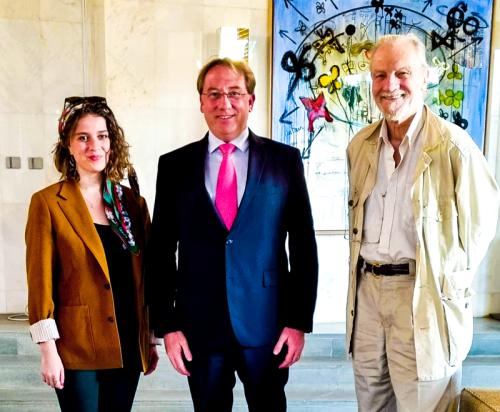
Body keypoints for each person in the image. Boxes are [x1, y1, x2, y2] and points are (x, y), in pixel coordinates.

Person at [147, 58, 318, 412]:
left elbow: (302, 244)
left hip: (266, 325)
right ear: (201, 102)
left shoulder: (284, 161)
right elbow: (161, 250)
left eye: (234, 93)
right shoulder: (174, 166)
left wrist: (298, 321)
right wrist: (168, 326)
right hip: (200, 326)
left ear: (250, 101)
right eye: (214, 94)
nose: (224, 103)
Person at [346, 33, 499, 411]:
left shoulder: (453, 147)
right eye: (380, 75)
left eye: (402, 73)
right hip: (366, 294)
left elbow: (481, 229)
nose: (390, 86)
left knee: (426, 404)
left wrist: (448, 286)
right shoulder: (360, 145)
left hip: (422, 297)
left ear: (425, 76)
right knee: (372, 403)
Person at [25, 96, 159, 411]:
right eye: (82, 137)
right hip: (76, 346)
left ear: (112, 142)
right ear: (68, 146)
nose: (93, 146)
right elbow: (39, 281)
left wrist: (150, 338)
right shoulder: (48, 202)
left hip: (128, 340)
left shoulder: (132, 204)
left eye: (101, 136)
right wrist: (48, 350)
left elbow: (146, 276)